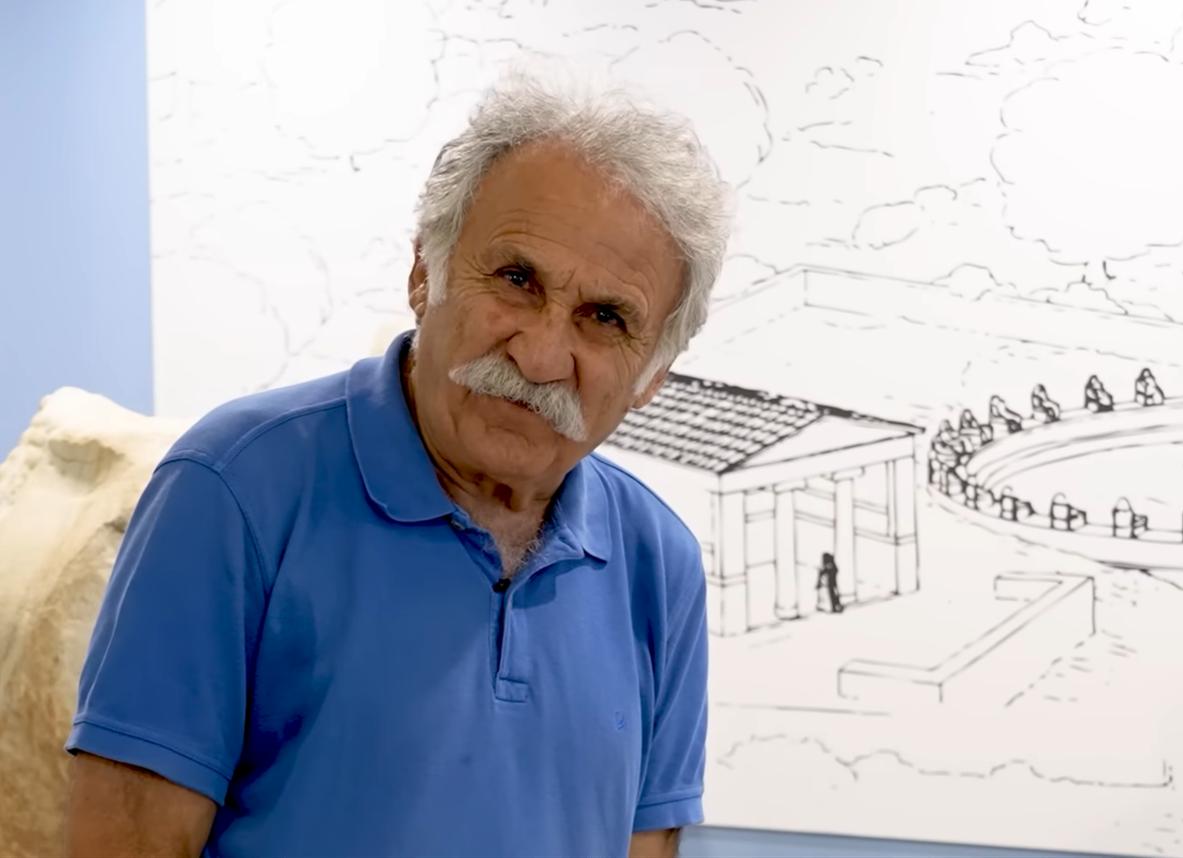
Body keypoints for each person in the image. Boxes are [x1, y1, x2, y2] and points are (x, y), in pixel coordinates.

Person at [63, 74, 732, 858]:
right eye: (517, 280)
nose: (543, 354)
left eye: (605, 318)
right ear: (425, 273)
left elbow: (642, 846)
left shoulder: (661, 565)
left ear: (652, 374)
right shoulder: (234, 488)